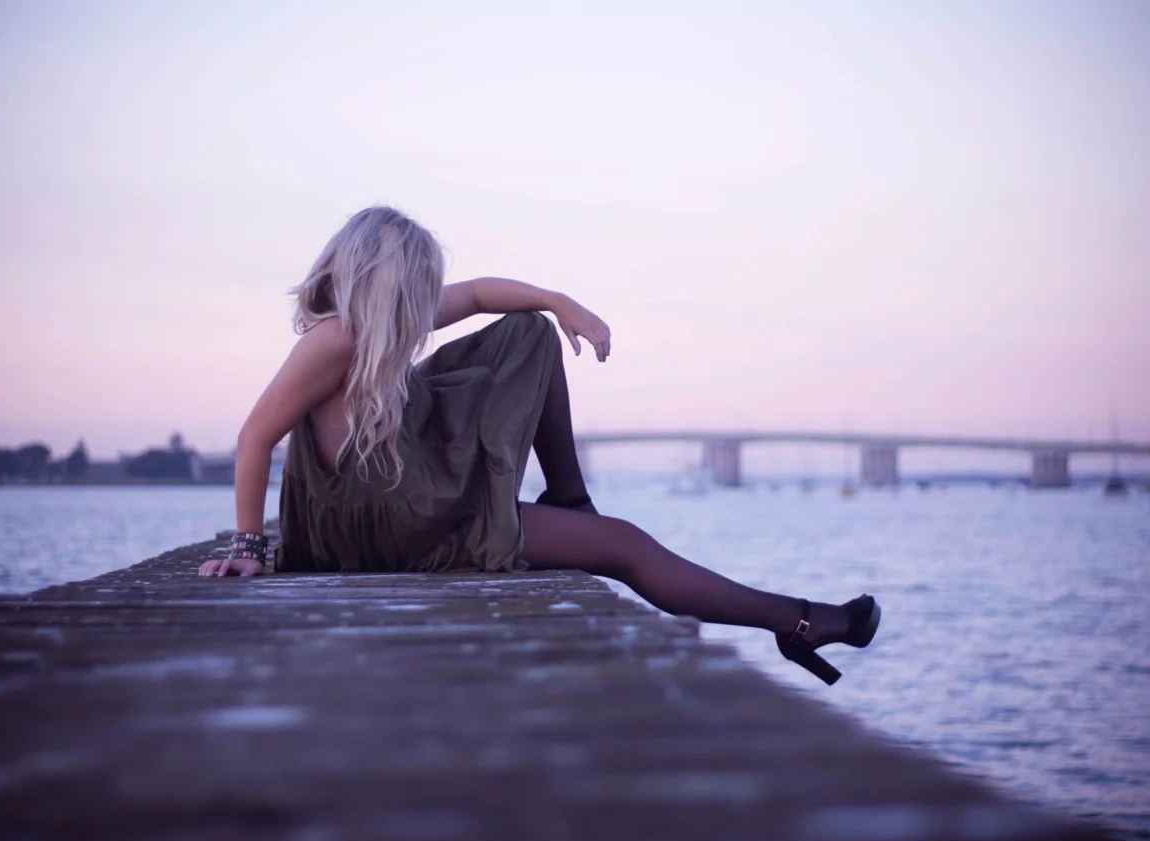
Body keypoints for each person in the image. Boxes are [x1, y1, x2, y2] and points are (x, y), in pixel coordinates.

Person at [198, 206, 879, 684]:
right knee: (625, 545)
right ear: (386, 281)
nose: (427, 301)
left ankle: (571, 499)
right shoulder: (335, 340)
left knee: (529, 331)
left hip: (408, 494)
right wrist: (249, 549)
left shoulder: (385, 317)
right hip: (401, 523)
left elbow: (480, 293)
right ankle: (794, 621)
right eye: (415, 284)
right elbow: (255, 436)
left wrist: (561, 302)